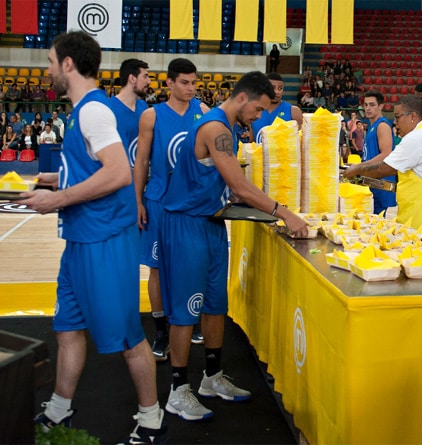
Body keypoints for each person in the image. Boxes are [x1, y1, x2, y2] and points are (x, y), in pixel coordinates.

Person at [19, 30, 167, 444]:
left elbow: (118, 172)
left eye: (51, 62)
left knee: (127, 337)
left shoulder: (92, 111)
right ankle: (60, 409)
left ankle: (153, 420)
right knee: (67, 327)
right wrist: (53, 180)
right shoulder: (83, 110)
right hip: (82, 241)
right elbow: (93, 166)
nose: (46, 70)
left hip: (105, 241)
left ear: (68, 64)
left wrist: (59, 198)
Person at [158, 71, 308, 421]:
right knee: (185, 312)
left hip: (211, 223)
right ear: (243, 98)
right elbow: (239, 187)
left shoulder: (226, 128)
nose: (258, 116)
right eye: (257, 109)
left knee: (215, 305)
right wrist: (283, 212)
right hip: (185, 225)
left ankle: (211, 378)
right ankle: (178, 390)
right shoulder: (214, 128)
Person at [135, 58, 210, 363]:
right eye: (184, 82)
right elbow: (141, 162)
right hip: (159, 200)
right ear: (169, 83)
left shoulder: (203, 112)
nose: (191, 88)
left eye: (194, 82)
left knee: (192, 263)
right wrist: (137, 200)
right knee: (157, 268)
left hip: (192, 204)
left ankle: (187, 319)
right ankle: (162, 329)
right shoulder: (152, 116)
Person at [342, 94, 422, 240]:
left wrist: (356, 170)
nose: (395, 123)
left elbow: (384, 168)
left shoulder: (418, 137)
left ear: (412, 116)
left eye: (398, 117)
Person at [360, 90, 397, 215]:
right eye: (365, 105)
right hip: (373, 183)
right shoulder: (372, 126)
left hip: (382, 185)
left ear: (381, 106)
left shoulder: (382, 126)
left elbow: (386, 154)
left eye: (372, 105)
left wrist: (361, 166)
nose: (368, 108)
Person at [108, 59, 150, 168]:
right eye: (145, 76)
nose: (149, 81)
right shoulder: (108, 109)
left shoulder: (143, 107)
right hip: (117, 177)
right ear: (132, 78)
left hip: (139, 176)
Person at [251, 72, 303, 144]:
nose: (277, 92)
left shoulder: (294, 111)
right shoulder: (253, 111)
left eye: (280, 88)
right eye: (273, 88)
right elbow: (250, 143)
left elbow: (301, 142)